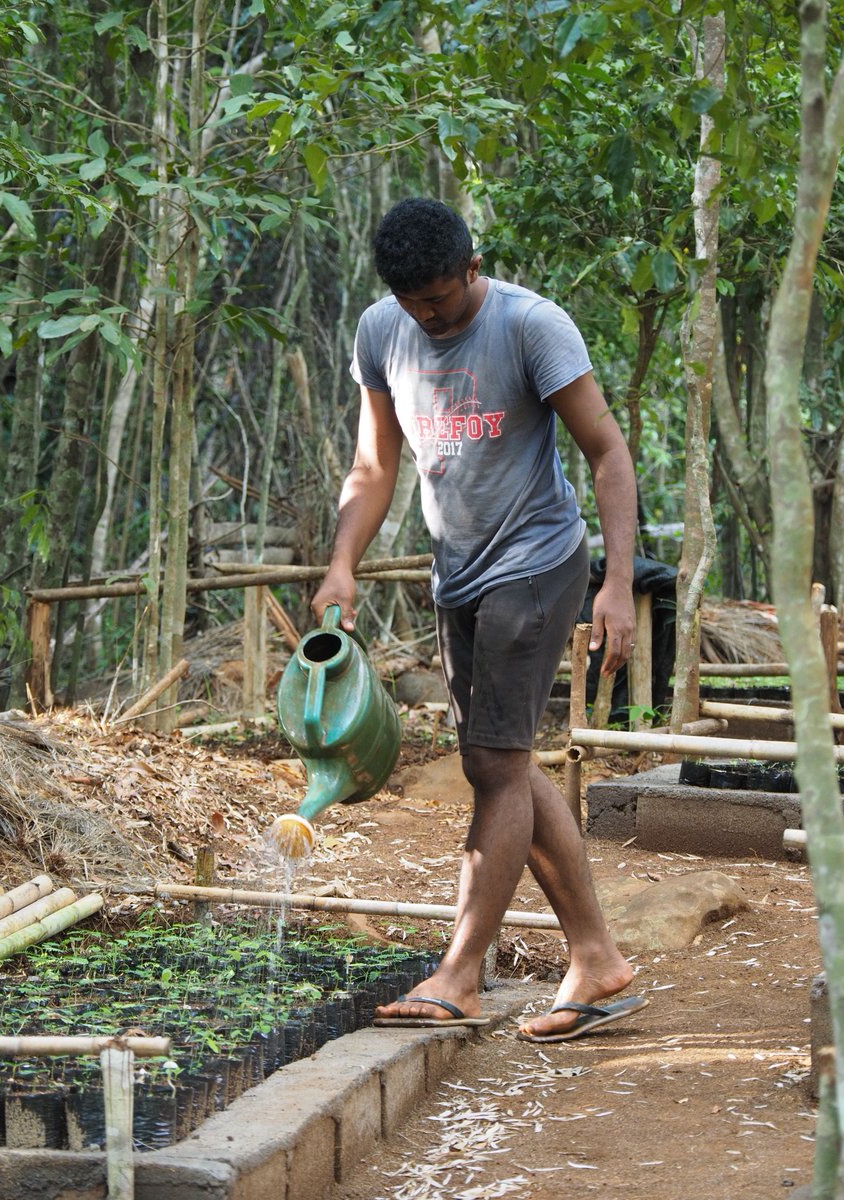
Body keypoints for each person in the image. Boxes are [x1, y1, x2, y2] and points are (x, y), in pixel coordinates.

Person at [311, 197, 647, 1042]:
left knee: (495, 763)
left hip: (536, 564)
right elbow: (373, 462)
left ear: (471, 267)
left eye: (443, 299)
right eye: (414, 302)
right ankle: (596, 958)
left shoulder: (533, 326)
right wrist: (342, 561)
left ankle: (460, 971)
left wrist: (615, 584)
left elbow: (607, 451)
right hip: (456, 573)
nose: (430, 315)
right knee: (499, 762)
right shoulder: (381, 332)